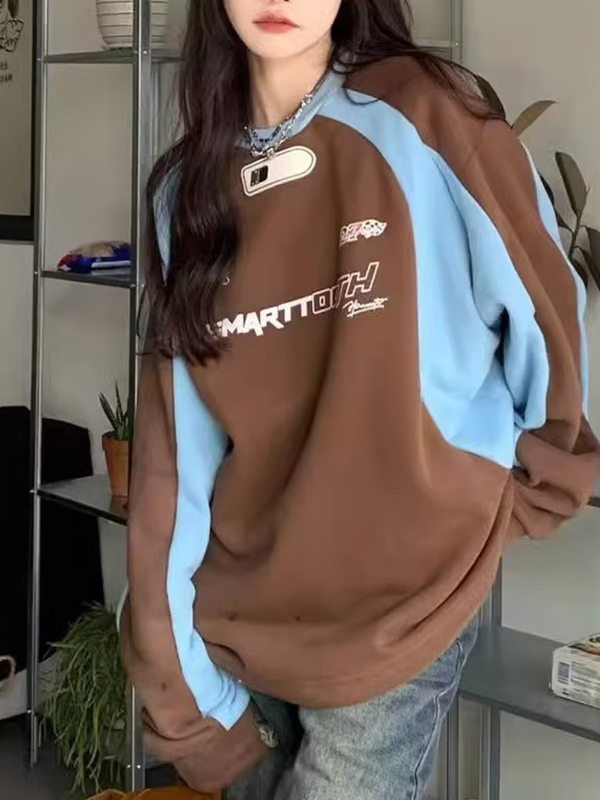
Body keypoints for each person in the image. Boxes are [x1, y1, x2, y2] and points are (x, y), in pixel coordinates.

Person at [118, 1, 600, 798]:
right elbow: (175, 464)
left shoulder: (427, 113)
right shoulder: (186, 192)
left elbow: (543, 306)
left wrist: (524, 485)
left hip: (396, 619)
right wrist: (181, 695)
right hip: (243, 627)